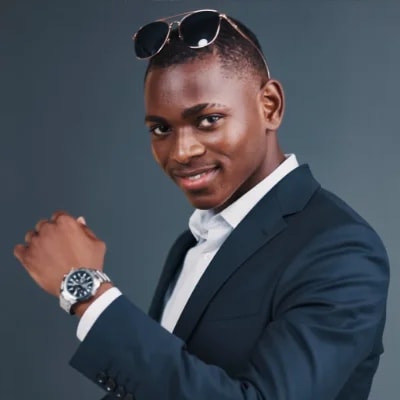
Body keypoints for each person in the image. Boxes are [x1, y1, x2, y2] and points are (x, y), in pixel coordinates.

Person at [14, 9, 390, 400]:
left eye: (208, 119)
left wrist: (88, 292)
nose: (182, 151)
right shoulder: (195, 240)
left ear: (270, 106)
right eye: (161, 128)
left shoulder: (339, 250)